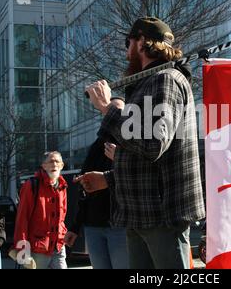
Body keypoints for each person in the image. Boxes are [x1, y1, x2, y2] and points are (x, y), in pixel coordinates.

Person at [78, 17, 205, 269]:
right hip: (141, 214)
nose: (126, 51)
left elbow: (153, 144)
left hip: (161, 217)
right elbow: (147, 160)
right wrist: (108, 179)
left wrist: (108, 109)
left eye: (128, 42)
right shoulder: (148, 83)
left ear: (142, 42)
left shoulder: (165, 79)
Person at [65, 97, 129, 269]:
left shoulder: (132, 145)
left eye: (118, 111)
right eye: (108, 110)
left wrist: (120, 159)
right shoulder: (96, 146)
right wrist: (75, 227)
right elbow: (84, 190)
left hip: (121, 226)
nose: (113, 114)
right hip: (94, 227)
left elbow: (138, 179)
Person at [12, 151, 68, 269]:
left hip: (58, 246)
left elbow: (62, 218)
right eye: (51, 161)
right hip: (37, 248)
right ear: (44, 165)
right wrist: (22, 249)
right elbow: (22, 218)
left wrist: (63, 235)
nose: (54, 164)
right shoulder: (31, 185)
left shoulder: (62, 186)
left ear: (62, 165)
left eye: (57, 161)